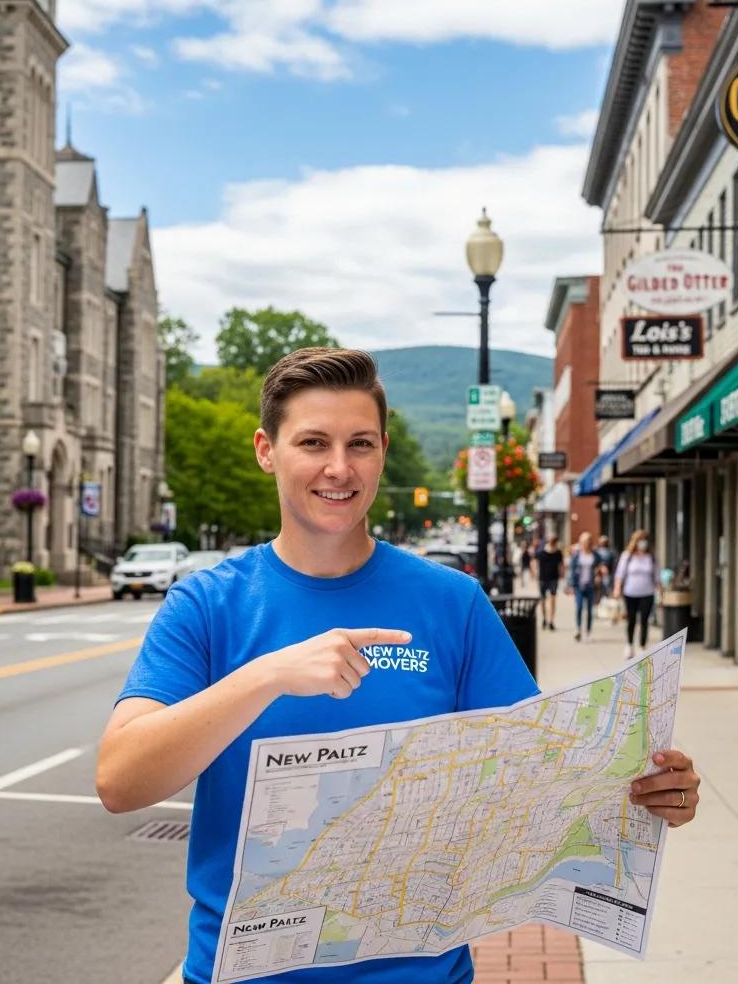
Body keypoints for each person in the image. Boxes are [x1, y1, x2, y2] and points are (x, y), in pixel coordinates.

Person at [95, 348, 700, 984]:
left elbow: (538, 772)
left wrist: (647, 789)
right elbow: (120, 781)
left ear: (382, 450)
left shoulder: (451, 601)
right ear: (266, 450)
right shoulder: (208, 604)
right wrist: (268, 675)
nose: (338, 466)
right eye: (312, 442)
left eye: (359, 443)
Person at [613, 529, 662, 660]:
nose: (643, 544)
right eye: (640, 541)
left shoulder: (651, 557)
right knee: (631, 620)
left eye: (645, 541)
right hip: (630, 593)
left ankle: (642, 646)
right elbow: (620, 574)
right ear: (635, 541)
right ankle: (629, 645)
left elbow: (657, 576)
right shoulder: (627, 556)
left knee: (645, 620)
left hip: (647, 592)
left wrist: (660, 592)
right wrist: (617, 588)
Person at [566, 531, 602, 642]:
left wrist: (599, 573)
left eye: (588, 541)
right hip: (579, 586)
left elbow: (600, 566)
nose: (586, 543)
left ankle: (588, 632)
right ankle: (578, 629)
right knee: (579, 607)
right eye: (584, 541)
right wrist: (570, 585)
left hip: (591, 586)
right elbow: (571, 571)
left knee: (590, 610)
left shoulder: (595, 555)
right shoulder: (576, 555)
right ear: (581, 542)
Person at [535, 535, 564, 630]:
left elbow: (561, 565)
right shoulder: (541, 552)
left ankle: (551, 621)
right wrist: (535, 573)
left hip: (553, 578)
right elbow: (535, 562)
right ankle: (544, 618)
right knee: (543, 600)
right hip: (543, 578)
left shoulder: (558, 553)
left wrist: (562, 574)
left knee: (552, 599)